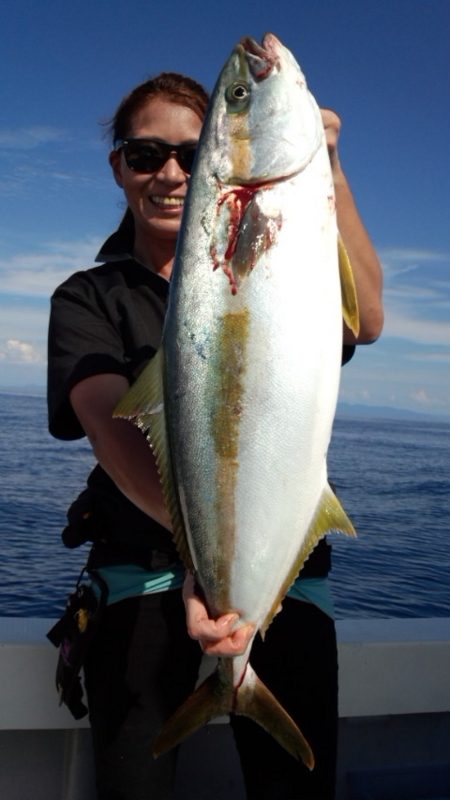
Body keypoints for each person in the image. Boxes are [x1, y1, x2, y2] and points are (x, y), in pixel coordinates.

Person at [47, 69, 383, 800]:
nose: (169, 174)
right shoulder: (88, 298)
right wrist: (210, 566)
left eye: (189, 156)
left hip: (282, 578)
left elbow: (368, 319)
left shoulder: (282, 265)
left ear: (213, 166)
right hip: (145, 572)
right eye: (145, 155)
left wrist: (328, 168)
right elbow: (114, 432)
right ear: (120, 168)